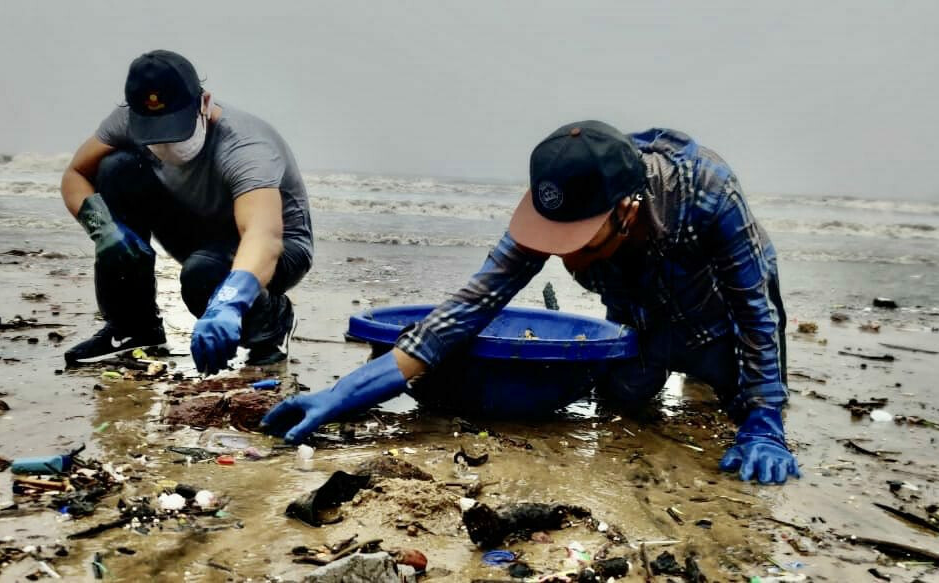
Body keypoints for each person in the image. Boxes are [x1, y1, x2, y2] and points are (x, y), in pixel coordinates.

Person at [262, 121, 798, 485]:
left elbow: (756, 311)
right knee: (626, 397)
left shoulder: (705, 189)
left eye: (579, 245)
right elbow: (470, 307)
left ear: (627, 212)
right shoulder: (559, 205)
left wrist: (766, 419)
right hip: (637, 313)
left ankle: (718, 387)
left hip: (717, 312)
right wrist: (344, 393)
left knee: (739, 403)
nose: (566, 260)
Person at [59, 50, 312, 374]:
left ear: (204, 104)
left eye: (175, 129)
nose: (166, 144)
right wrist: (102, 227)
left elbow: (263, 236)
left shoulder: (247, 146)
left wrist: (230, 302)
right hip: (197, 227)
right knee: (115, 168)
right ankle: (133, 328)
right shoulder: (125, 120)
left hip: (276, 247)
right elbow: (75, 174)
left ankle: (271, 325)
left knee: (201, 275)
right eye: (154, 133)